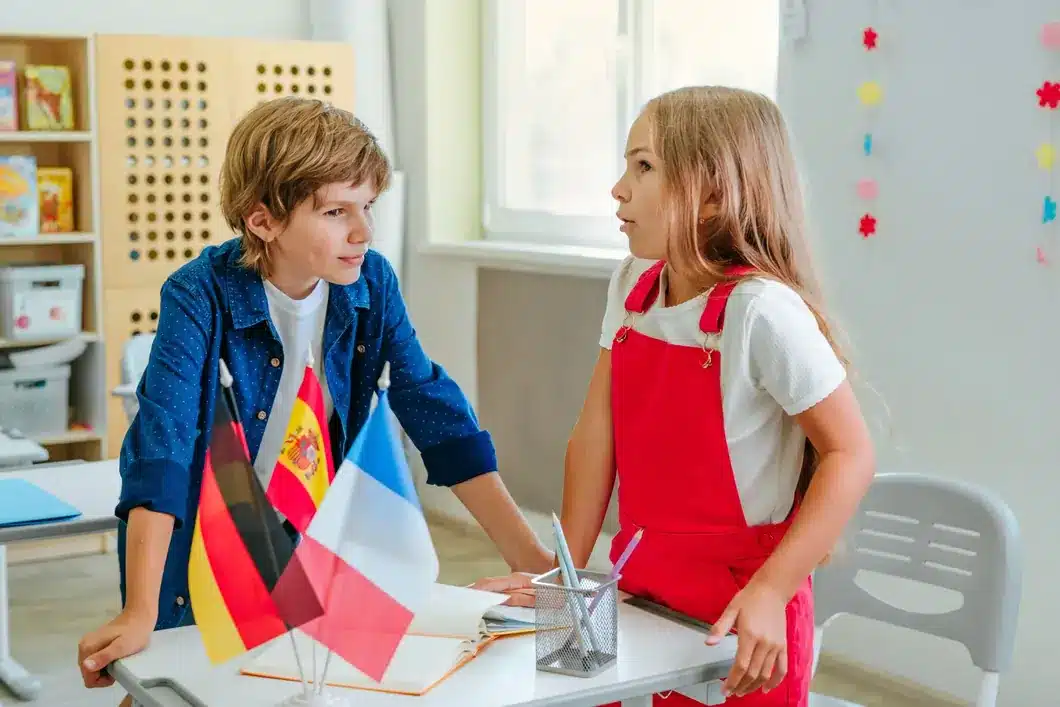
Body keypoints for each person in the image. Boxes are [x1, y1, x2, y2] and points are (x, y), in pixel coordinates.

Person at [76, 96, 554, 700]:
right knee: (178, 684)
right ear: (263, 221)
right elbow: (161, 451)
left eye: (368, 206)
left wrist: (534, 558)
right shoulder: (198, 294)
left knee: (302, 686)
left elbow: (436, 414)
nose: (363, 231)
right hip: (212, 533)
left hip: (313, 526)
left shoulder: (372, 281)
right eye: (335, 211)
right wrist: (138, 608)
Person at [476, 86, 876, 706]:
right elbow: (593, 440)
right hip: (638, 592)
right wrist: (568, 574)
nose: (618, 188)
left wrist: (772, 590)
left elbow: (851, 454)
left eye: (643, 166)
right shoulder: (633, 285)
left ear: (713, 192)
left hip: (739, 619)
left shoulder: (763, 312)